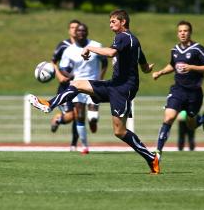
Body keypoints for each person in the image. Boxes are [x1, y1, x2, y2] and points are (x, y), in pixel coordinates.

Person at [28, 9, 159, 174]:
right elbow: (144, 67)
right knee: (77, 84)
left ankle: (151, 158)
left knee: (120, 131)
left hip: (122, 89)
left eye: (113, 21)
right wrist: (150, 70)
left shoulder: (123, 37)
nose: (110, 24)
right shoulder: (134, 41)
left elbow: (111, 53)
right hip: (115, 85)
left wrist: (90, 48)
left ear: (123, 22)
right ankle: (49, 104)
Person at [152, 20, 204, 168]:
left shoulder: (198, 49)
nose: (183, 33)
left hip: (194, 93)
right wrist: (160, 72)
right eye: (180, 31)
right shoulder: (175, 50)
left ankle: (202, 118)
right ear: (177, 33)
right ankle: (157, 153)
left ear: (190, 32)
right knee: (169, 117)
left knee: (191, 125)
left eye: (185, 31)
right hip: (178, 90)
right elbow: (172, 65)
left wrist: (191, 67)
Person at [59, 23, 108, 154]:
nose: (81, 33)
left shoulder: (96, 46)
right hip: (77, 85)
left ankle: (93, 122)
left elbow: (104, 62)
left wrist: (100, 78)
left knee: (92, 117)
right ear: (76, 33)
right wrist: (70, 76)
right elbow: (62, 68)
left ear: (87, 32)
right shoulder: (69, 50)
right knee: (80, 116)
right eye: (78, 31)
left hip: (93, 85)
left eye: (83, 31)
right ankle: (85, 146)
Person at [50, 19, 80, 151]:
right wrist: (59, 76)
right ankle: (58, 119)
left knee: (79, 114)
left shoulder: (86, 46)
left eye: (77, 28)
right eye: (72, 27)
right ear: (69, 30)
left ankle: (74, 145)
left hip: (80, 86)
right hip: (65, 87)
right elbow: (53, 62)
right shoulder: (63, 45)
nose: (75, 29)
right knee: (70, 117)